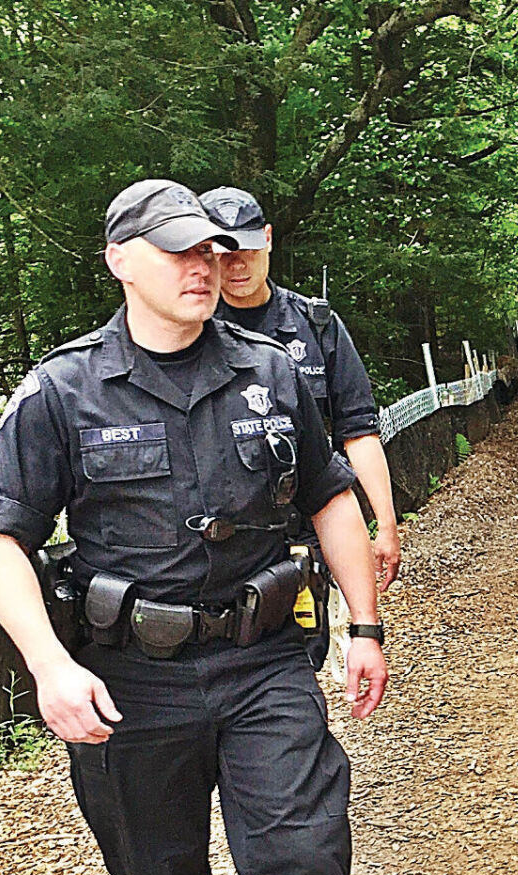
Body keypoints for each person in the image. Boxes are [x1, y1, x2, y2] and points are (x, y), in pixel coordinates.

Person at [0, 179, 418, 875]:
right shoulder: (60, 391)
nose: (202, 268)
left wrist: (365, 623)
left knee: (300, 854)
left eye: (212, 253)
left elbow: (329, 495)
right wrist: (47, 664)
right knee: (156, 873)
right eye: (177, 252)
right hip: (131, 681)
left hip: (262, 660)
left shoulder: (269, 369)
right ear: (119, 260)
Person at [199, 185, 401, 668]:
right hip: (219, 543)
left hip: (303, 536)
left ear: (267, 239)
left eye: (246, 249)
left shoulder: (316, 325)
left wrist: (386, 525)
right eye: (223, 254)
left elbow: (358, 430)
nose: (238, 266)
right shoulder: (190, 331)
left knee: (300, 663)